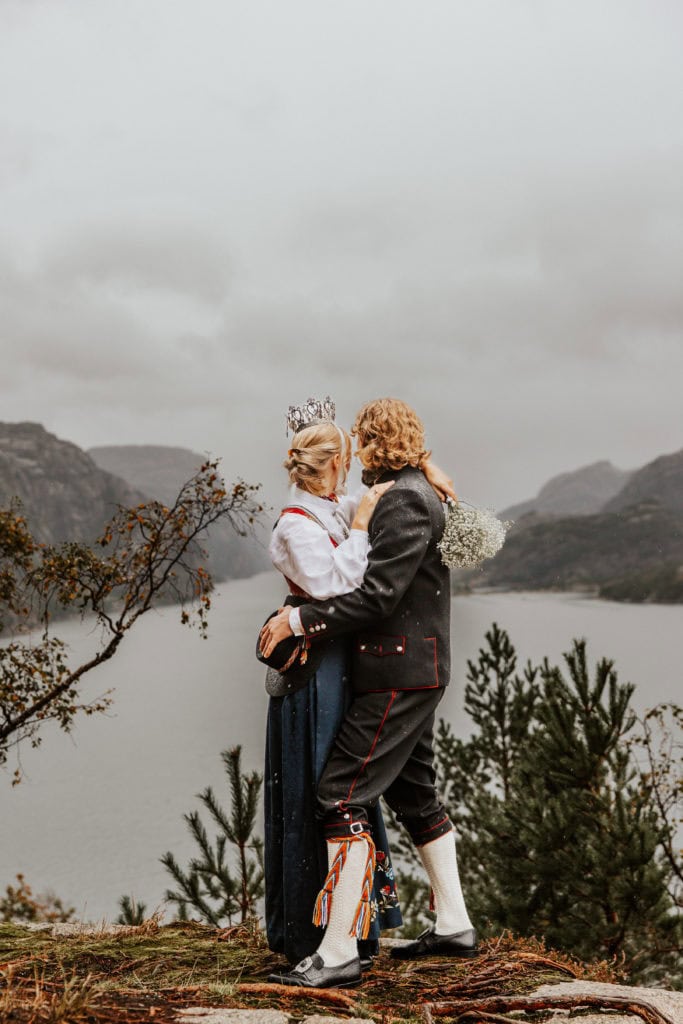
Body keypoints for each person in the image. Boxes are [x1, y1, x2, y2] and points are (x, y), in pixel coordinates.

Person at [261, 397, 476, 989]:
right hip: (415, 669)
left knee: (340, 797)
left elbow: (379, 596)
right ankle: (454, 923)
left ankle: (336, 953)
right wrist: (429, 470)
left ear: (374, 442)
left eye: (361, 440)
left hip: (397, 671)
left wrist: (299, 623)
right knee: (415, 791)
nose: (355, 455)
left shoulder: (403, 497)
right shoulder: (407, 491)